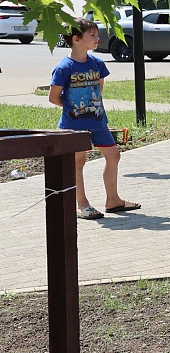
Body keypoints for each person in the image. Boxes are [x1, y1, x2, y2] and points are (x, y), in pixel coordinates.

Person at [47, 17, 139, 220]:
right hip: (74, 126)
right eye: (92, 35)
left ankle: (113, 201)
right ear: (76, 39)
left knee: (114, 156)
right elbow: (54, 97)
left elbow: (99, 90)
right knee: (78, 162)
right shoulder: (64, 68)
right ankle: (82, 205)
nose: (97, 38)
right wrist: (73, 109)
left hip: (98, 122)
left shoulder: (97, 63)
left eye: (97, 35)